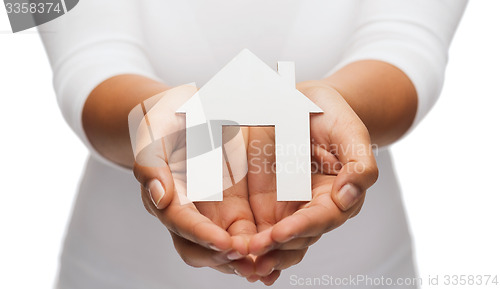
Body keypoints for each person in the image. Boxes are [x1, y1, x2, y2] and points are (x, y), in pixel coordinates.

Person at [39, 0, 467, 288]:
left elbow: (410, 43)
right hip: (121, 270)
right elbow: (84, 62)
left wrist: (328, 113)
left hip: (356, 268)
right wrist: (157, 119)